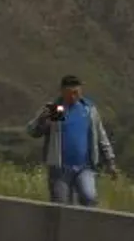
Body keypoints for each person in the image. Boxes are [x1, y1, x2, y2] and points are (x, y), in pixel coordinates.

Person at [26, 74, 117, 207]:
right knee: (61, 204)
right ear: (62, 92)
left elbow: (101, 136)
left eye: (76, 93)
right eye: (70, 93)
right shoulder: (57, 109)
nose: (73, 97)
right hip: (60, 168)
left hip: (85, 166)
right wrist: (41, 120)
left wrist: (110, 161)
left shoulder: (88, 109)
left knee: (89, 197)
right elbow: (33, 131)